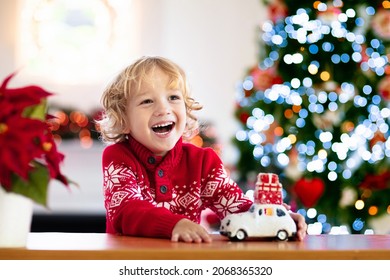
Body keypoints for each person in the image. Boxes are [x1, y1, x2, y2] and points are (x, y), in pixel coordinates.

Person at [97, 56, 307, 243]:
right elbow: (126, 210)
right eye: (147, 101)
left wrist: (275, 217)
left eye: (173, 97)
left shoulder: (203, 162)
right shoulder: (118, 157)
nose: (163, 109)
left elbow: (236, 207)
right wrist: (174, 225)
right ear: (124, 120)